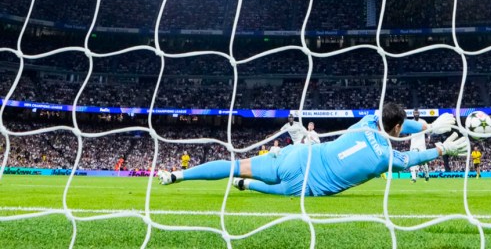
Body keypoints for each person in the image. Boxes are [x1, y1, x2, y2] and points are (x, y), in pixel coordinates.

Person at [157, 103, 463, 196]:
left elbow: (397, 123)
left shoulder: (367, 122)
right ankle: (247, 186)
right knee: (275, 189)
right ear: (397, 129)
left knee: (236, 164)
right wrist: (442, 147)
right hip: (304, 183)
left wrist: (427, 126)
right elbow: (412, 157)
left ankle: (177, 175)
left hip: (298, 154)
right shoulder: (385, 157)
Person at [409, 109, 430, 183]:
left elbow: (428, 131)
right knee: (412, 160)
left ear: (419, 114)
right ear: (413, 114)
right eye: (415, 113)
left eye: (417, 113)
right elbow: (408, 132)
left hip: (421, 144)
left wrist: (428, 138)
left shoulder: (423, 122)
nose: (416, 114)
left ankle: (427, 176)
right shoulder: (411, 122)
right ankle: (414, 178)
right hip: (413, 144)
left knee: (424, 161)